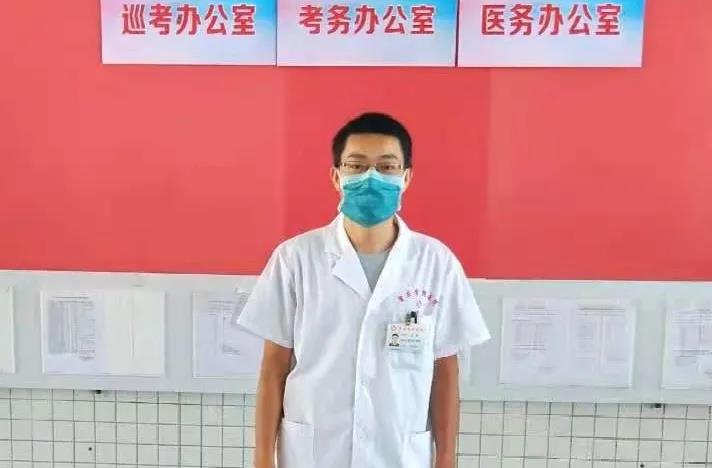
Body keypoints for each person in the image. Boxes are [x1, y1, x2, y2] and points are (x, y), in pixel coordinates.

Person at [238, 112, 490, 468]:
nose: (371, 178)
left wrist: (446, 457)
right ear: (336, 176)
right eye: (356, 166)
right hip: (315, 452)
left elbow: (445, 371)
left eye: (387, 167)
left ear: (406, 177)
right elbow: (273, 368)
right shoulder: (295, 259)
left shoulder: (436, 262)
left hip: (398, 453)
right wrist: (263, 458)